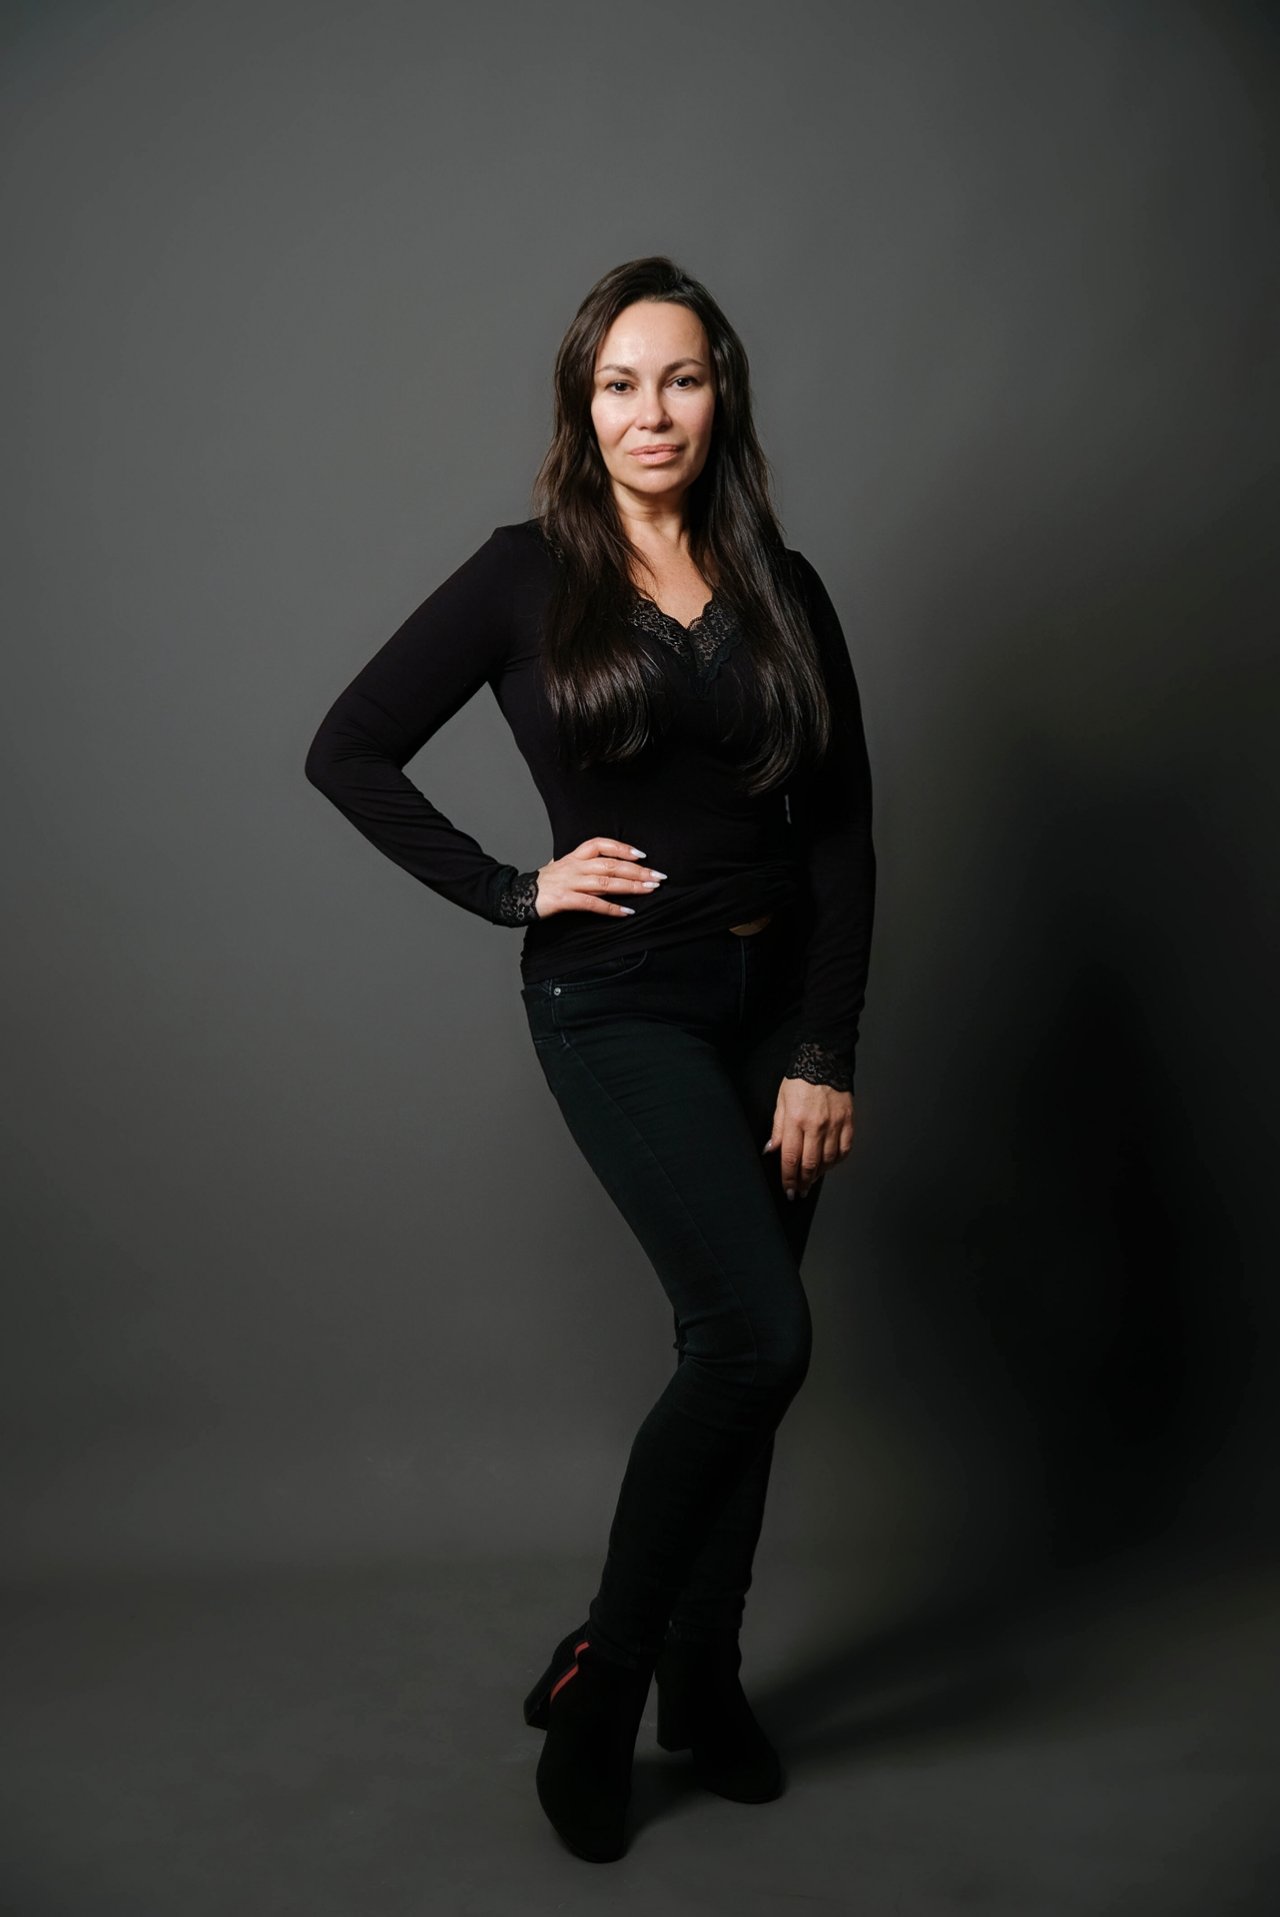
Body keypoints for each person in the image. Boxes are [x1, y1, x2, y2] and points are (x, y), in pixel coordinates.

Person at [303, 255, 876, 1863]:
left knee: (744, 1368)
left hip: (772, 1014)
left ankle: (706, 1673)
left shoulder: (783, 584)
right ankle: (607, 1679)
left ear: (720, 395)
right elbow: (347, 748)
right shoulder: (524, 576)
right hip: (615, 998)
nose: (651, 412)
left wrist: (824, 1044)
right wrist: (511, 888)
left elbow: (843, 834)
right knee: (754, 1333)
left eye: (680, 378)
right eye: (620, 383)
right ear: (582, 402)